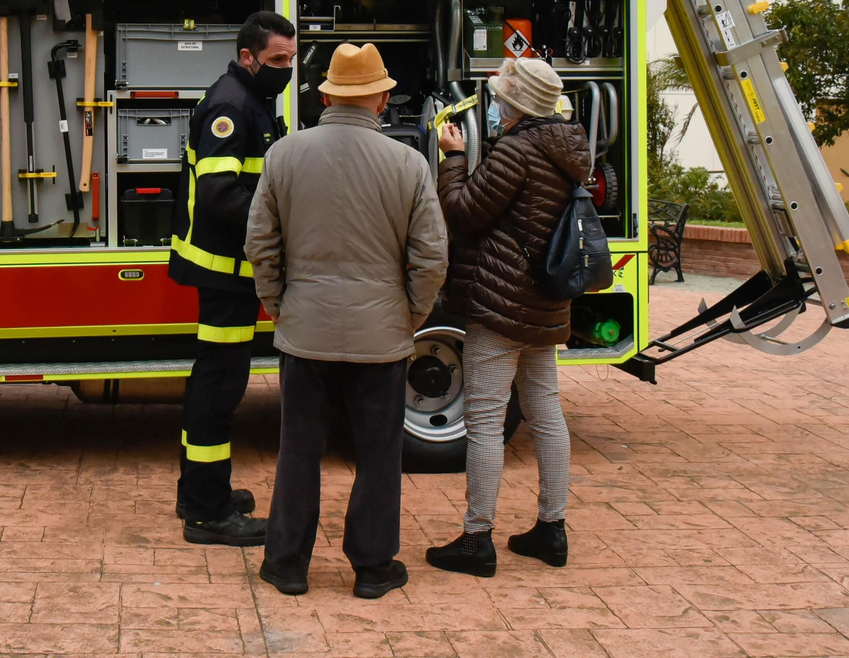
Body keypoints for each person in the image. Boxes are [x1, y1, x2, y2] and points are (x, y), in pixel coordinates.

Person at [245, 42, 449, 599]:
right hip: (381, 334)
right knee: (380, 453)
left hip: (304, 328)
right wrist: (409, 315)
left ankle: (286, 564)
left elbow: (260, 241)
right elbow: (431, 257)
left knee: (298, 449)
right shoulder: (408, 162)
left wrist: (277, 303)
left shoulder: (284, 154)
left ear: (328, 95)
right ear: (382, 98)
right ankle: (373, 568)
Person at [425, 57, 591, 578]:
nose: (494, 105)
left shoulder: (517, 151)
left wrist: (452, 157)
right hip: (544, 301)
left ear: (516, 105)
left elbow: (462, 210)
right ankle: (552, 528)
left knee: (484, 421)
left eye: (499, 98)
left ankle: (477, 538)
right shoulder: (569, 151)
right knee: (546, 413)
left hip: (500, 302)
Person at [168, 10, 297, 546]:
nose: (286, 69)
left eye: (291, 59)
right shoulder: (230, 104)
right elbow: (222, 194)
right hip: (224, 272)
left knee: (219, 383)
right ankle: (207, 512)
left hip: (232, 270)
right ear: (248, 57)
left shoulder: (251, 99)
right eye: (276, 60)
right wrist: (284, 226)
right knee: (219, 388)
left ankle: (201, 492)